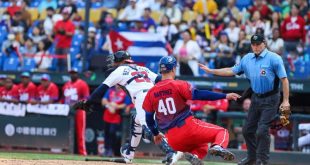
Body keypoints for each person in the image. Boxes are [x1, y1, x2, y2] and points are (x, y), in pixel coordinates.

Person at [73, 50, 186, 164]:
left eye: (114, 60)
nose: (113, 63)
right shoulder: (142, 68)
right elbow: (160, 80)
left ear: (121, 61)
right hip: (155, 95)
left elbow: (101, 89)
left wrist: (89, 102)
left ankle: (171, 151)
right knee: (136, 119)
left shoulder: (119, 70)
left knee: (148, 131)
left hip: (142, 98)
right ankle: (129, 154)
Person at [199, 34, 290, 165]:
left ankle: (262, 161)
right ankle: (252, 157)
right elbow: (230, 70)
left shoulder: (274, 58)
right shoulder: (247, 59)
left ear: (264, 43)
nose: (256, 47)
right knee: (247, 129)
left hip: (271, 98)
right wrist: (211, 71)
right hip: (256, 98)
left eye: (258, 44)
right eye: (254, 44)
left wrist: (286, 101)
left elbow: (284, 80)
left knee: (262, 130)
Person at [143, 56, 240, 164]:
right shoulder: (178, 84)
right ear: (174, 69)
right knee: (222, 132)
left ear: (161, 70)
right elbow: (199, 94)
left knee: (202, 145)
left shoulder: (151, 92)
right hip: (187, 127)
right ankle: (218, 146)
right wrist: (224, 95)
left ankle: (195, 156)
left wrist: (155, 134)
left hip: (172, 139)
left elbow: (149, 119)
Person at [63, 68, 89, 156]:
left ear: (77, 74)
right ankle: (67, 150)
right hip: (67, 110)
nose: (72, 75)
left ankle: (82, 152)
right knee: (67, 130)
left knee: (80, 132)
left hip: (79, 110)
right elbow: (64, 98)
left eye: (74, 73)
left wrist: (77, 104)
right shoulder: (66, 84)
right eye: (71, 73)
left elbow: (86, 99)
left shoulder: (82, 84)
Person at [101, 85, 131, 157]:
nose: (117, 85)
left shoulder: (124, 92)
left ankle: (111, 150)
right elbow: (103, 101)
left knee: (112, 133)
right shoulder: (110, 90)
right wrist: (109, 105)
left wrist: (116, 106)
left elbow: (126, 104)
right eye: (117, 84)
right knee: (106, 133)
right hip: (107, 115)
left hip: (116, 116)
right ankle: (106, 149)